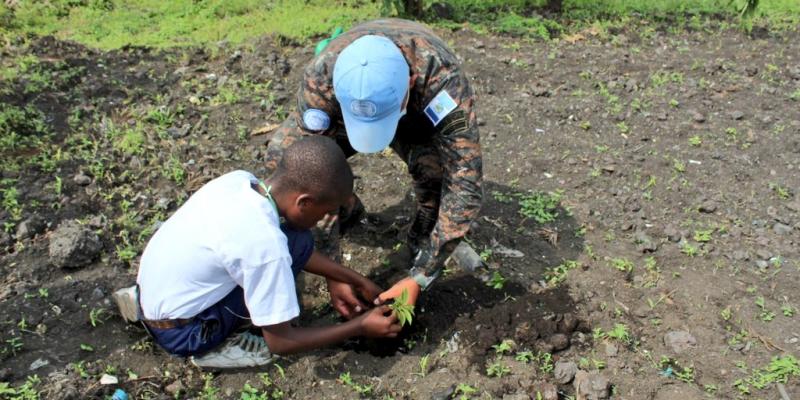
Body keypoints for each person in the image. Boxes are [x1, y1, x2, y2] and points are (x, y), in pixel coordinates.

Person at [113, 137, 400, 369]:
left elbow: (292, 248)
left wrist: (353, 277)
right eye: (324, 212)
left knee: (296, 240)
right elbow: (282, 342)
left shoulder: (240, 182)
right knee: (280, 262)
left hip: (157, 293)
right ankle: (218, 347)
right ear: (304, 202)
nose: (324, 219)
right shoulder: (264, 245)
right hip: (186, 333)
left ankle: (156, 308)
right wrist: (360, 326)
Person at [264, 19, 483, 309]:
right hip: (345, 117)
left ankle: (423, 239)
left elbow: (465, 180)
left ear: (408, 83)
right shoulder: (324, 76)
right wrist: (333, 272)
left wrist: (421, 276)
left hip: (417, 116)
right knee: (282, 158)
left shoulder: (443, 83)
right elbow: (306, 173)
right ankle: (346, 209)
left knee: (437, 173)